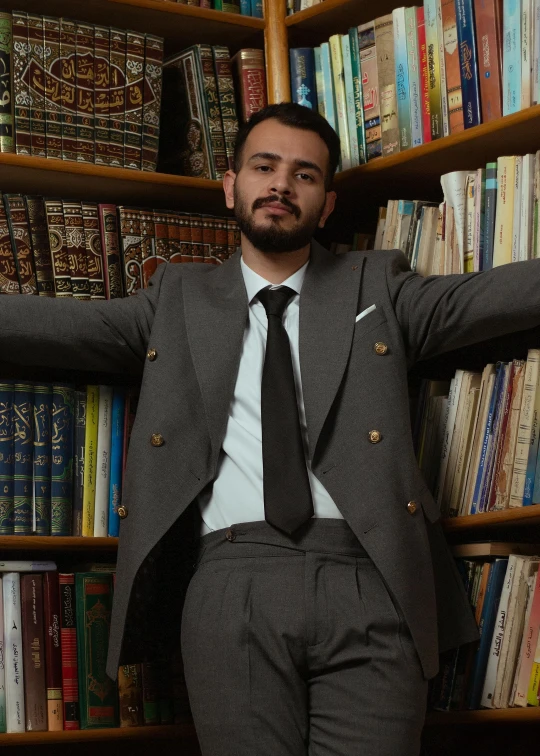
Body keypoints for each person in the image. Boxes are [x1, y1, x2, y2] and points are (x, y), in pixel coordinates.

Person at [2, 102, 540, 754]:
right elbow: (57, 328)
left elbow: (491, 297)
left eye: (304, 174)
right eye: (264, 166)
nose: (282, 184)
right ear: (232, 185)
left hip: (370, 578)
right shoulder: (176, 298)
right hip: (231, 582)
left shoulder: (379, 286)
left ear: (328, 202)